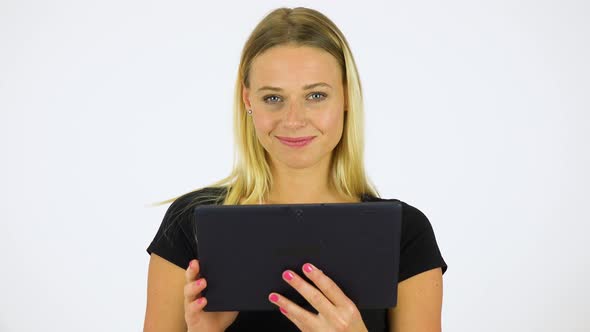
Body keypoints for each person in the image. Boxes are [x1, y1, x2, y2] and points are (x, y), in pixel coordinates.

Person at [143, 6, 448, 332]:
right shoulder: (189, 224)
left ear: (346, 96)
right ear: (248, 101)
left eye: (316, 95)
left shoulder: (405, 233)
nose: (293, 120)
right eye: (273, 98)